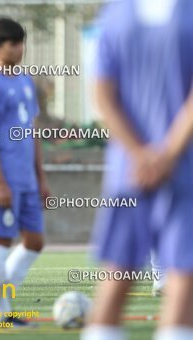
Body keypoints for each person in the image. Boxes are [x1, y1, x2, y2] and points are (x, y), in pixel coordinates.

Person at [82, 1, 193, 339]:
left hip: (129, 173)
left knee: (113, 286)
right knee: (182, 289)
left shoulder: (115, 14)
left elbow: (101, 93)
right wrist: (165, 155)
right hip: (182, 169)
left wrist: (139, 155)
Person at [0, 17, 50, 329]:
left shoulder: (25, 81)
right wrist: (0, 182)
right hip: (1, 178)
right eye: (13, 43)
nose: (20, 49)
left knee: (34, 241)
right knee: (1, 240)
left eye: (22, 42)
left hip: (27, 179)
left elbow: (32, 132)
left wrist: (41, 178)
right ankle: (2, 313)